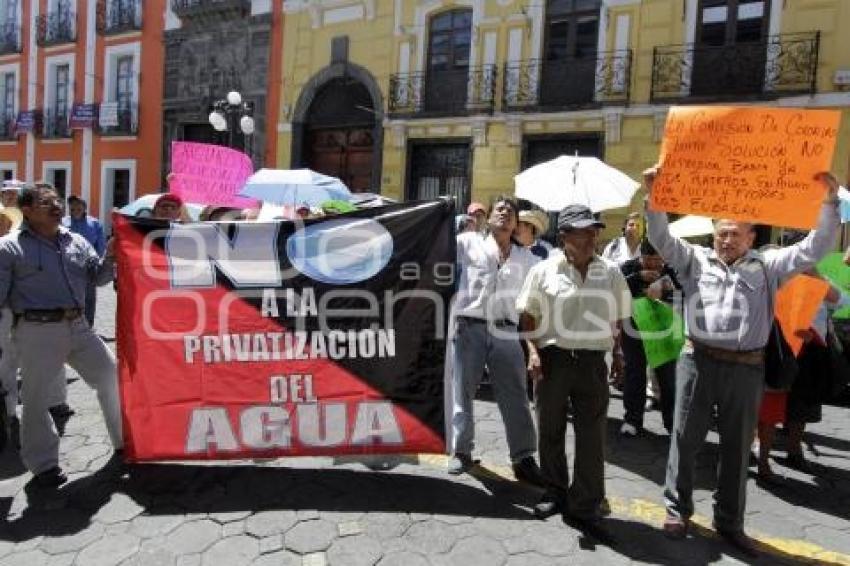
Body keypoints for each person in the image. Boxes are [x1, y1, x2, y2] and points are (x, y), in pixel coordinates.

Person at [644, 165, 840, 556]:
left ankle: (729, 521)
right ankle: (676, 509)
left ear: (752, 237)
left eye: (735, 233)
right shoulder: (694, 260)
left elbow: (815, 248)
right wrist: (654, 196)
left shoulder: (770, 266)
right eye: (721, 232)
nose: (726, 239)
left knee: (737, 448)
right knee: (684, 440)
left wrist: (832, 203)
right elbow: (661, 237)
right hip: (696, 362)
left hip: (746, 368)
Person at [0, 185, 122, 487]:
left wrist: (111, 255)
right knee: (36, 399)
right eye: (46, 201)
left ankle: (124, 443)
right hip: (36, 330)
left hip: (80, 327)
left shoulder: (76, 240)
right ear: (26, 210)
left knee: (111, 376)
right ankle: (44, 465)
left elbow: (98, 277)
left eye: (57, 200)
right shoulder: (8, 248)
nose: (56, 205)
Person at [517, 204, 632, 522]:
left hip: (593, 362)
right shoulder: (543, 271)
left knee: (592, 434)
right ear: (565, 235)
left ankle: (587, 500)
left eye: (594, 230)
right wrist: (534, 353)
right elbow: (527, 317)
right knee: (550, 429)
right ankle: (555, 490)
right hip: (553, 361)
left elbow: (619, 316)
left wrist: (618, 354)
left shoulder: (609, 271)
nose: (592, 236)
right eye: (584, 231)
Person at [449, 196, 544, 487]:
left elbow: (542, 291)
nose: (504, 213)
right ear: (488, 218)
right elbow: (433, 250)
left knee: (515, 395)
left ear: (516, 223)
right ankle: (461, 450)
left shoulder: (528, 259)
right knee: (462, 392)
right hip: (470, 327)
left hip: (506, 331)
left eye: (510, 212)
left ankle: (523, 457)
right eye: (499, 209)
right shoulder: (466, 243)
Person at [619, 239, 681, 436]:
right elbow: (613, 288)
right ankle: (632, 419)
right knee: (634, 374)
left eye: (658, 260)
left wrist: (664, 286)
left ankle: (672, 423)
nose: (654, 264)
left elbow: (683, 291)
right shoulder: (628, 267)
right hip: (633, 329)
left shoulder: (670, 269)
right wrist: (638, 276)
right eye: (649, 260)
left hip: (663, 329)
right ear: (641, 257)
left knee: (668, 377)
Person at [62, 196, 106, 327]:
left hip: (89, 265)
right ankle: (69, 323)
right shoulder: (63, 222)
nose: (75, 209)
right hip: (68, 265)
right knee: (68, 294)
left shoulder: (95, 223)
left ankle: (88, 324)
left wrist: (95, 260)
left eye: (78, 206)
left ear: (84, 208)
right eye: (72, 206)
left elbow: (101, 244)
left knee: (89, 297)